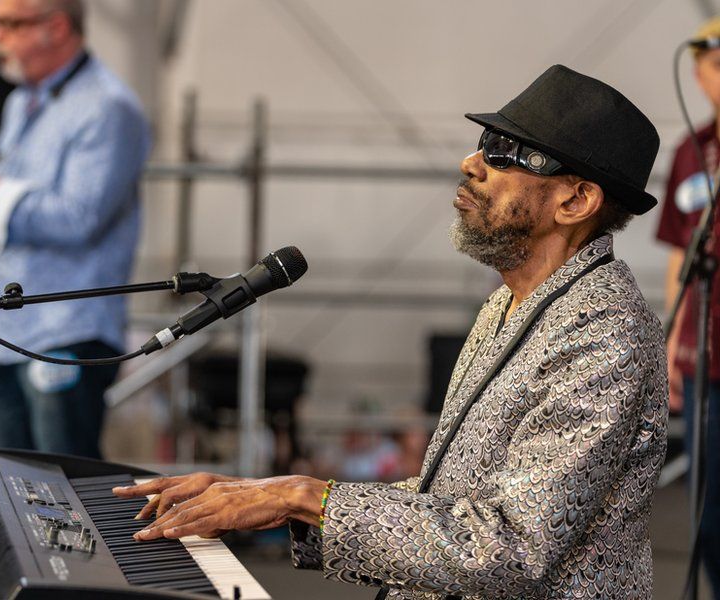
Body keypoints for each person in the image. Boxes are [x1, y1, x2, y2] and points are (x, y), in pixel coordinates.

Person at [114, 65, 667, 599]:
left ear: (576, 200)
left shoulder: (606, 333)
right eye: (484, 140)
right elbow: (452, 500)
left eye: (504, 152)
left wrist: (306, 496)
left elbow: (510, 547)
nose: (471, 162)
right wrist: (277, 496)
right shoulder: (511, 300)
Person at [0, 0, 151, 458]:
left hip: (64, 332)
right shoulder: (22, 100)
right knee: (4, 486)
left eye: (9, 25)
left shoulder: (108, 107)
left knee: (63, 496)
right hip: (1, 336)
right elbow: (12, 206)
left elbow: (80, 217)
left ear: (56, 27)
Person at [655, 15, 720, 592]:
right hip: (709, 360)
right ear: (699, 74)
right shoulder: (692, 152)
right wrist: (673, 344)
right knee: (711, 509)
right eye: (716, 64)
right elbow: (681, 252)